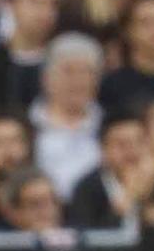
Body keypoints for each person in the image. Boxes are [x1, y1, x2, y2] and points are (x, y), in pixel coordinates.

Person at [67, 109, 154, 231]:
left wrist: (146, 204)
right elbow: (88, 236)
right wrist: (127, 197)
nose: (132, 151)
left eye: (139, 142)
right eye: (122, 144)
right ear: (104, 151)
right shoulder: (87, 189)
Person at [30, 33, 104, 197]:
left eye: (87, 72)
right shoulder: (27, 126)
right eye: (68, 71)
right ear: (46, 78)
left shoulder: (108, 126)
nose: (78, 81)